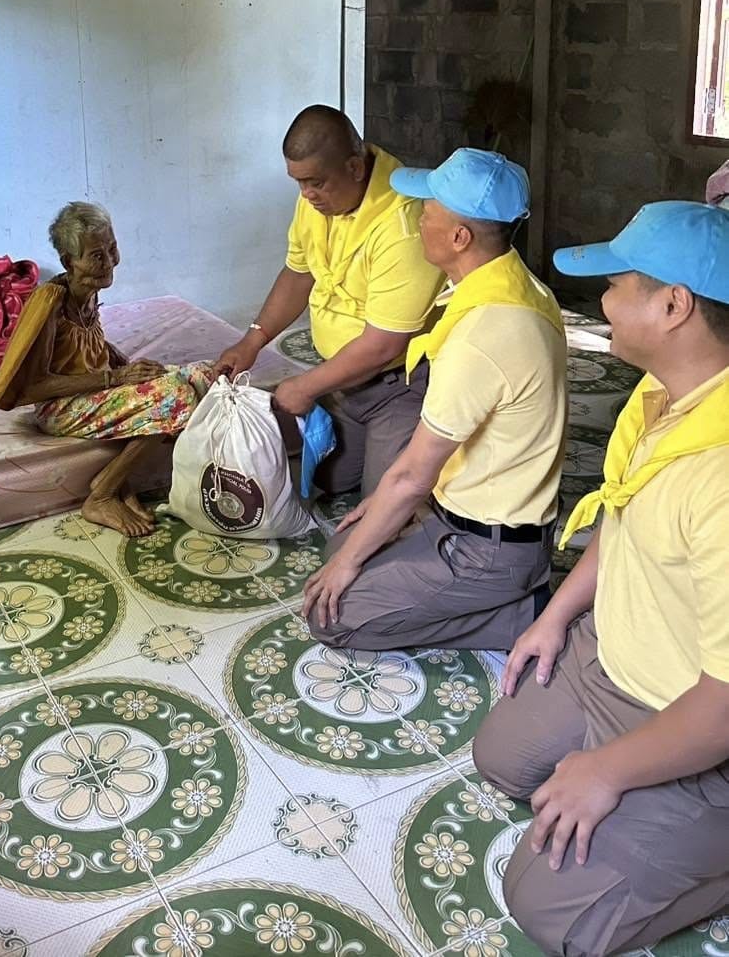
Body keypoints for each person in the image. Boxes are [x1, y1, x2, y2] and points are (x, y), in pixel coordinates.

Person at [472, 201, 729, 957]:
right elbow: (621, 518)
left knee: (550, 908)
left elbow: (724, 701)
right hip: (614, 658)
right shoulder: (661, 401)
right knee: (502, 760)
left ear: (674, 305)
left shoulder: (721, 477)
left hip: (696, 716)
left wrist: (608, 769)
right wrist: (556, 617)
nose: (603, 300)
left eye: (616, 285)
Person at [303, 149, 566, 650]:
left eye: (427, 213)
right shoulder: (516, 286)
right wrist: (378, 515)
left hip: (486, 546)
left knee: (334, 616)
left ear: (459, 237)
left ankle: (527, 615)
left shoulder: (485, 330)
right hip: (464, 512)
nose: (419, 221)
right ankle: (497, 592)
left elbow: (412, 475)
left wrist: (358, 550)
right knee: (347, 544)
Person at [216, 106, 442, 497]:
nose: (306, 194)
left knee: (388, 499)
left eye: (315, 182)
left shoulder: (402, 224)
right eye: (299, 183)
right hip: (345, 379)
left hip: (400, 382)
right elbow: (298, 273)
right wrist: (252, 340)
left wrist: (305, 386)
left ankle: (426, 442)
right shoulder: (318, 199)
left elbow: (384, 345)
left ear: (355, 168)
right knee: (330, 480)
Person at [0, 202, 212, 537]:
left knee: (203, 376)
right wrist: (115, 378)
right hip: (60, 408)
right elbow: (32, 387)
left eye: (112, 248)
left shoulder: (89, 292)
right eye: (96, 255)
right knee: (175, 398)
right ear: (68, 262)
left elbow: (88, 346)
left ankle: (118, 481)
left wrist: (125, 366)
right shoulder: (51, 302)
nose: (110, 261)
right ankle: (102, 494)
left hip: (96, 393)